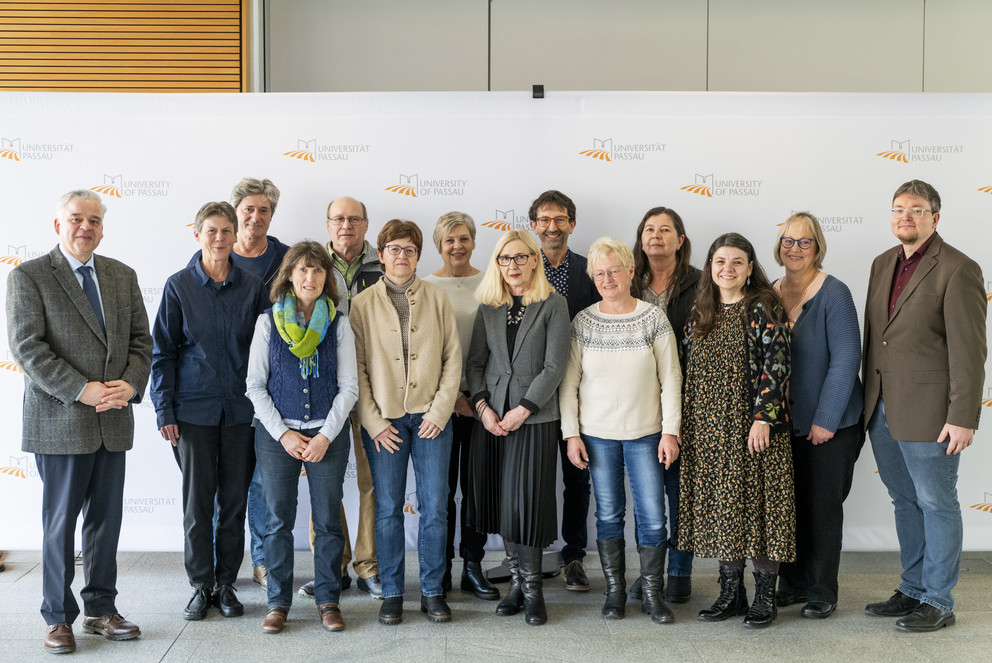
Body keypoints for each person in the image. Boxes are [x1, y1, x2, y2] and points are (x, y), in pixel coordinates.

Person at [7, 190, 152, 654]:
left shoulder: (121, 275)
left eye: (93, 219)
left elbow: (141, 343)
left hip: (113, 418)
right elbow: (29, 350)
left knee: (105, 524)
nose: (84, 226)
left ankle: (101, 610)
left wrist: (129, 385)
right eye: (75, 219)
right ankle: (57, 616)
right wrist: (81, 389)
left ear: (103, 228)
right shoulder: (28, 277)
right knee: (60, 525)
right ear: (57, 225)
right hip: (61, 419)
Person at [862, 180, 987, 632]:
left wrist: (962, 416)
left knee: (936, 503)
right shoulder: (881, 264)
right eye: (898, 209)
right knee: (904, 501)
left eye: (916, 210)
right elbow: (877, 339)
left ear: (935, 216)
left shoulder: (959, 268)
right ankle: (912, 588)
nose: (905, 217)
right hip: (880, 408)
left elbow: (970, 351)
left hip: (933, 413)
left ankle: (938, 599)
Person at [150, 201, 269, 621]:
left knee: (234, 503)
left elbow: (264, 354)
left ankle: (226, 584)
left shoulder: (254, 287)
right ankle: (201, 586)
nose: (219, 239)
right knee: (198, 504)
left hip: (241, 413)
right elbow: (161, 354)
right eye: (211, 231)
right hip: (192, 414)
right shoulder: (179, 286)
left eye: (226, 231)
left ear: (236, 235)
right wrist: (164, 410)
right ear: (197, 234)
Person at [560, 237, 682, 624]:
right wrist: (571, 434)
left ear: (631, 271)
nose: (608, 278)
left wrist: (670, 431)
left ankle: (651, 594)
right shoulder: (583, 322)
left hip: (647, 433)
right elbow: (569, 384)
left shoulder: (652, 318)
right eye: (600, 273)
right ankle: (615, 593)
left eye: (615, 270)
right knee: (609, 515)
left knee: (652, 517)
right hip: (597, 435)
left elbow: (672, 379)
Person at [678, 232, 794, 629]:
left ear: (749, 268)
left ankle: (764, 596)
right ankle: (731, 593)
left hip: (754, 430)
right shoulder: (699, 311)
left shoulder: (763, 306)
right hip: (709, 431)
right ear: (710, 267)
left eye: (737, 262)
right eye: (720, 261)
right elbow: (685, 370)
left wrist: (763, 418)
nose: (727, 269)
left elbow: (777, 366)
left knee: (758, 511)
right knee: (725, 511)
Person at [350, 219, 462, 625]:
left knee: (434, 507)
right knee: (387, 508)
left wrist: (439, 411)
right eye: (394, 248)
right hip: (385, 423)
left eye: (409, 249)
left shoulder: (436, 297)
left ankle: (433, 591)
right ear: (380, 255)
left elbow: (453, 359)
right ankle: (393, 593)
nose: (402, 256)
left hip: (432, 419)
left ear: (418, 255)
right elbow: (356, 370)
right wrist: (374, 422)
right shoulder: (361, 305)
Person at [246, 241, 359, 633]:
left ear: (327, 278)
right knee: (278, 521)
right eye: (302, 270)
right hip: (278, 437)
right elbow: (255, 386)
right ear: (290, 276)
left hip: (328, 435)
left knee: (328, 521)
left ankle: (328, 600)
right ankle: (278, 602)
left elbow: (348, 388)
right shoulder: (267, 323)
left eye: (318, 270)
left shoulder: (339, 323)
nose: (310, 277)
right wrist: (284, 434)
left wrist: (326, 434)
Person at [465, 230, 570, 626]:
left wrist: (523, 409)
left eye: (520, 258)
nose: (512, 266)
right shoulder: (489, 306)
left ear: (534, 260)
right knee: (504, 506)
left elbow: (554, 366)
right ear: (497, 264)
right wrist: (482, 408)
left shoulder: (552, 304)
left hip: (533, 419)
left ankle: (533, 591)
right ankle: (517, 585)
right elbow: (475, 363)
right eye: (505, 259)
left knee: (525, 505)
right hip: (491, 421)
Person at [770, 213, 864, 619]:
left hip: (832, 424)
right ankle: (792, 584)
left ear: (818, 247)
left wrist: (826, 418)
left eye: (804, 242)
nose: (795, 249)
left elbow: (846, 359)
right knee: (789, 507)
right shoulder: (770, 293)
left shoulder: (834, 292)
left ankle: (823, 590)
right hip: (784, 425)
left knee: (823, 509)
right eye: (788, 241)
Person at [298, 196, 385, 600]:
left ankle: (368, 565)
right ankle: (332, 566)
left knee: (371, 482)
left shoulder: (385, 264)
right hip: (321, 392)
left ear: (366, 224)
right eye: (338, 218)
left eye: (354, 218)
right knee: (324, 485)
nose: (346, 225)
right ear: (327, 224)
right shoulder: (314, 265)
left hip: (372, 388)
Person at [421, 212, 499, 601]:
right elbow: (421, 352)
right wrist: (449, 399)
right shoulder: (426, 286)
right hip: (441, 405)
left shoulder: (491, 282)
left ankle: (472, 564)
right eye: (449, 240)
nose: (457, 246)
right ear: (439, 245)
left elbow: (499, 348)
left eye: (464, 238)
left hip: (484, 403)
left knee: (476, 488)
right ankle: (441, 569)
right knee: (441, 490)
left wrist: (477, 398)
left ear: (473, 242)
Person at [527, 189, 598, 591]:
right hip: (532, 395)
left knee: (577, 478)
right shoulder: (519, 268)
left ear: (572, 223)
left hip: (579, 393)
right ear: (533, 225)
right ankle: (532, 556)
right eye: (544, 220)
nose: (552, 227)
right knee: (535, 479)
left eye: (560, 219)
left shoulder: (591, 272)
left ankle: (573, 557)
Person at [629, 206, 701, 603]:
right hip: (638, 403)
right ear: (640, 238)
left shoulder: (701, 284)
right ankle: (651, 572)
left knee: (679, 493)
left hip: (688, 401)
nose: (656, 235)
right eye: (649, 229)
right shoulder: (627, 281)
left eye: (665, 229)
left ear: (680, 240)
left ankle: (679, 572)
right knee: (647, 497)